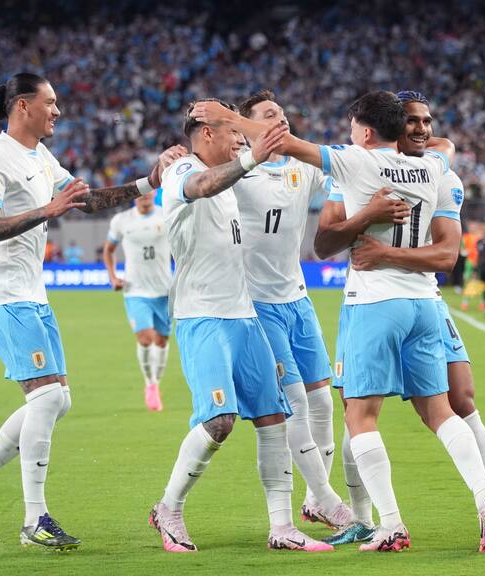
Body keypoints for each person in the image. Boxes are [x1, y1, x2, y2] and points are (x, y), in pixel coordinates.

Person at [192, 90, 485, 553]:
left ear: (363, 131)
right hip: (424, 303)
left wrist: (224, 117)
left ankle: (391, 524)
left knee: (360, 416)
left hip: (374, 302)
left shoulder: (355, 161)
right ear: (401, 129)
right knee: (441, 412)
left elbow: (285, 143)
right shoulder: (433, 167)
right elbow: (443, 147)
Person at [0, 72, 173, 550]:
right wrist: (47, 211)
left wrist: (144, 181)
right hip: (3, 293)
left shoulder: (39, 155)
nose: (58, 111)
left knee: (57, 400)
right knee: (46, 400)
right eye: (50, 103)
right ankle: (34, 520)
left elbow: (86, 201)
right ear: (23, 106)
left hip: (31, 293)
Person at [341, 90, 485, 547]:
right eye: (410, 122)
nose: (420, 130)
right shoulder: (362, 166)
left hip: (418, 300)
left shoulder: (442, 177)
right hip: (366, 301)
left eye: (425, 123)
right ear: (390, 129)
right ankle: (363, 515)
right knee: (354, 407)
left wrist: (384, 252)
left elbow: (446, 253)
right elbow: (329, 233)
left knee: (460, 399)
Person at [149, 99, 332, 553]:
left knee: (274, 419)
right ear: (207, 133)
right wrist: (252, 154)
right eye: (231, 131)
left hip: (246, 316)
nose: (239, 139)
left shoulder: (237, 175)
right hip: (202, 315)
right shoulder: (183, 170)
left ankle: (283, 526)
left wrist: (256, 154)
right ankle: (168, 508)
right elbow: (202, 185)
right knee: (220, 422)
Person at [232, 90, 354, 533]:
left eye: (282, 113)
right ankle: (326, 497)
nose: (280, 120)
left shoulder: (301, 165)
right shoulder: (238, 171)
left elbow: (343, 169)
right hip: (257, 301)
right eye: (269, 115)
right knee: (296, 402)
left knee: (323, 399)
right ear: (246, 126)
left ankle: (313, 499)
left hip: (297, 298)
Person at [104, 187, 177, 411]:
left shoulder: (166, 215)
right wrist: (113, 277)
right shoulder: (121, 221)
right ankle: (150, 384)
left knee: (162, 341)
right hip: (136, 291)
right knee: (145, 338)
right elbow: (108, 250)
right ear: (133, 195)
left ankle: (157, 381)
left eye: (148, 192)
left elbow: (182, 245)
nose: (144, 196)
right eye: (140, 192)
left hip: (164, 291)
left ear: (154, 194)